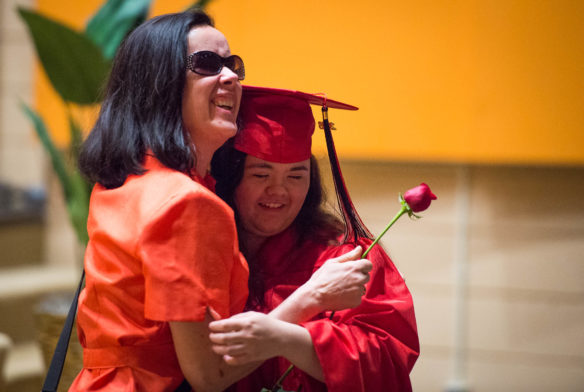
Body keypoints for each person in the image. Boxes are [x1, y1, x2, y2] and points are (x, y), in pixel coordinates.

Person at [69, 11, 370, 391]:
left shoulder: (125, 181)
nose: (230, 76)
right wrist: (313, 296)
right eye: (207, 64)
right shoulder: (188, 202)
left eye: (233, 65)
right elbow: (211, 374)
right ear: (161, 84)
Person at [209, 86, 420, 391]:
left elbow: (388, 362)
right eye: (260, 174)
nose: (279, 191)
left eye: (296, 176)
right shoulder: (204, 251)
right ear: (230, 175)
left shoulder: (345, 255)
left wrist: (292, 341)